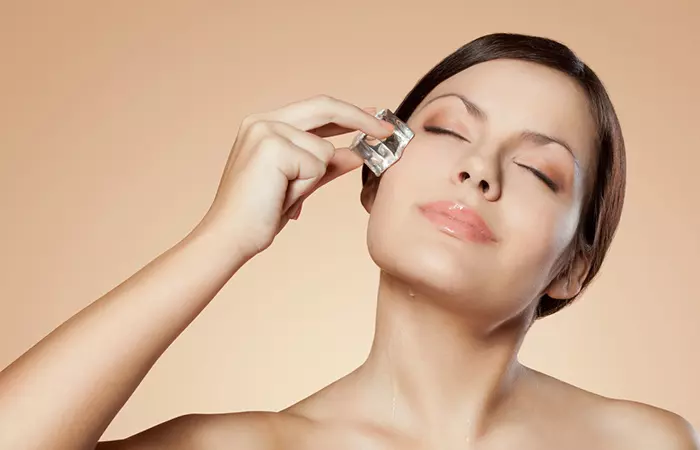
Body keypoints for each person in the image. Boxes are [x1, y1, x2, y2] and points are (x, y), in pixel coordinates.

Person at [0, 33, 696, 450]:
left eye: (536, 170)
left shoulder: (641, 443)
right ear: (374, 176)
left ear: (573, 269)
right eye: (450, 129)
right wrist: (221, 240)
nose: (477, 170)